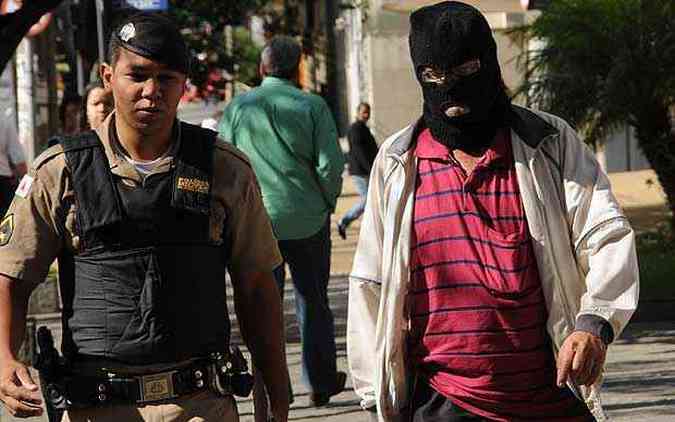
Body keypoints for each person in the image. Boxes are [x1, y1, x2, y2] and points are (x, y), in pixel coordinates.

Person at [347, 2, 639, 421]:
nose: (450, 90)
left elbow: (606, 233)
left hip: (551, 399)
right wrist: (375, 395)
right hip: (443, 404)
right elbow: (370, 281)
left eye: (465, 71)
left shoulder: (550, 144)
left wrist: (594, 323)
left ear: (488, 64)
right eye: (434, 77)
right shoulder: (397, 163)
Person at [0, 12, 289, 422]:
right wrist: (4, 359)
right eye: (136, 75)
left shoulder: (224, 170)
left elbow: (257, 283)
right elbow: (11, 275)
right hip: (96, 407)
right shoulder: (60, 171)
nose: (151, 91)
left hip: (200, 404)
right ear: (107, 76)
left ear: (183, 84)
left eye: (167, 78)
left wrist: (277, 385)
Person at [219, 35, 346, 407]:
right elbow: (329, 164)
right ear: (297, 69)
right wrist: (326, 203)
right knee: (314, 300)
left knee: (261, 306)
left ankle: (276, 389)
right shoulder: (313, 106)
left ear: (262, 69)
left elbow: (225, 162)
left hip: (256, 221)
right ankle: (320, 381)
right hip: (307, 219)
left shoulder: (239, 108)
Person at [337, 102, 378, 240]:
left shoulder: (363, 128)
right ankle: (345, 220)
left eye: (368, 112)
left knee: (370, 201)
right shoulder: (356, 129)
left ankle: (369, 228)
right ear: (357, 112)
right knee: (367, 200)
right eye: (364, 112)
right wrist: (371, 168)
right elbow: (359, 153)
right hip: (361, 172)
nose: (366, 115)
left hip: (364, 170)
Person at [0, 107, 26, 218]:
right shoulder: (4, 119)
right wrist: (24, 196)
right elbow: (21, 166)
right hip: (3, 186)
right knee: (7, 232)